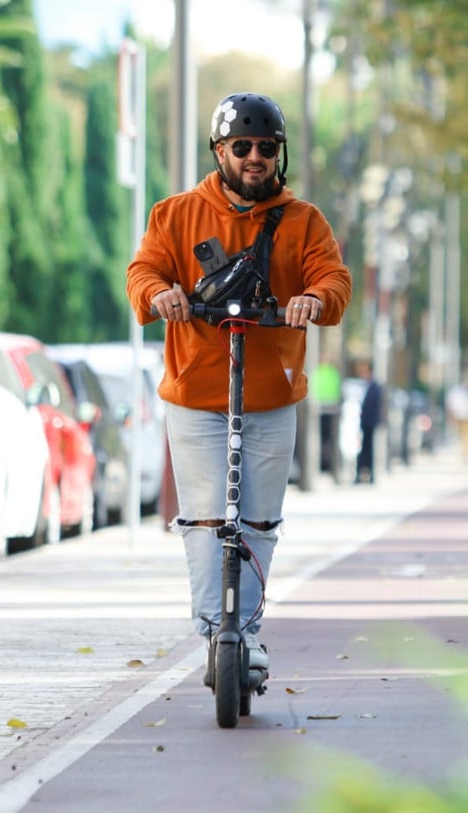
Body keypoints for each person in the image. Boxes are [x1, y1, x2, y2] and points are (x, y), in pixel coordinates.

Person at [126, 92, 352, 672]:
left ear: (280, 153)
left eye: (267, 148)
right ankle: (213, 629)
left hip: (272, 396)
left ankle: (246, 632)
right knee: (204, 518)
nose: (256, 157)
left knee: (258, 520)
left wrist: (312, 298)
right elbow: (143, 270)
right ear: (219, 150)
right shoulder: (174, 214)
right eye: (243, 147)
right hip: (197, 395)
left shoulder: (304, 221)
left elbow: (334, 279)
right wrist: (160, 294)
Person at [354, 359, 383, 483]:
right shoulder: (366, 386)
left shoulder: (375, 386)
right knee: (364, 449)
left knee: (368, 450)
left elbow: (375, 406)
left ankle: (367, 474)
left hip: (369, 423)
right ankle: (362, 474)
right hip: (365, 423)